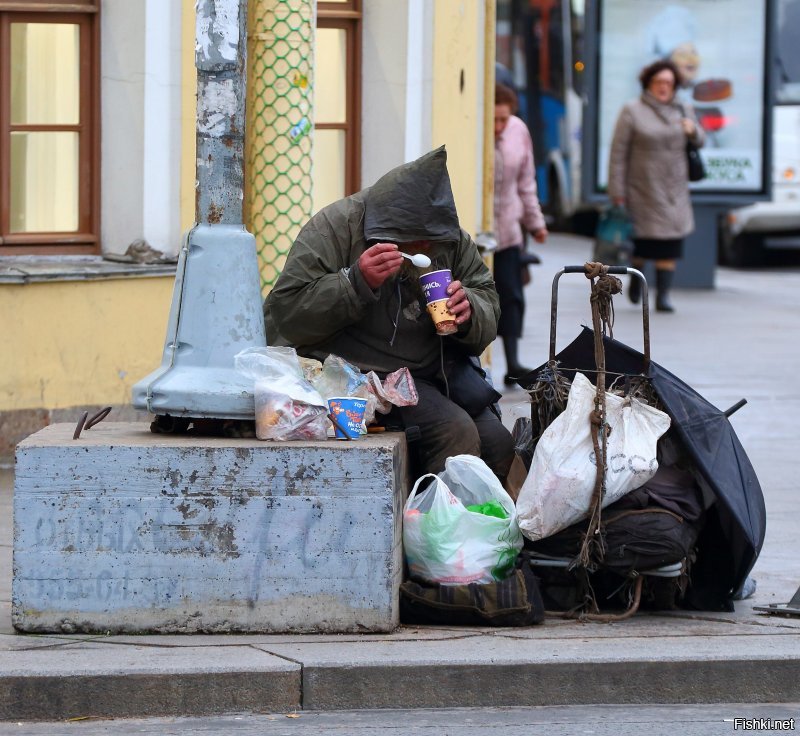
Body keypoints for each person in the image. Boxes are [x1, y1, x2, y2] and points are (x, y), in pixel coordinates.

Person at [263, 146, 515, 484]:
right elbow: (284, 317)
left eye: (431, 243)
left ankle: (481, 529)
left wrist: (469, 309)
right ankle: (437, 532)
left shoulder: (448, 238)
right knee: (456, 433)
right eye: (416, 242)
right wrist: (355, 282)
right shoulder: (337, 227)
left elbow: (487, 300)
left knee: (498, 441)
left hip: (433, 372)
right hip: (360, 379)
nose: (425, 250)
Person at [608, 59, 705, 313]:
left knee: (670, 244)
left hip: (675, 188)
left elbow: (701, 139)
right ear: (648, 83)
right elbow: (618, 153)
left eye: (669, 83)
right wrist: (617, 192)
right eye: (659, 82)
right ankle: (636, 281)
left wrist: (692, 130)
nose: (664, 87)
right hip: (642, 187)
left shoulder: (683, 109)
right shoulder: (632, 110)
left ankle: (663, 296)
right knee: (643, 242)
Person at [493, 83, 548, 385]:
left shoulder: (518, 131)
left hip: (509, 230)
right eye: (494, 120)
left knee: (512, 296)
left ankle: (513, 361)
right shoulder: (472, 130)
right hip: (476, 233)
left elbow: (526, 181)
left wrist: (535, 222)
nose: (500, 127)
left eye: (504, 119)